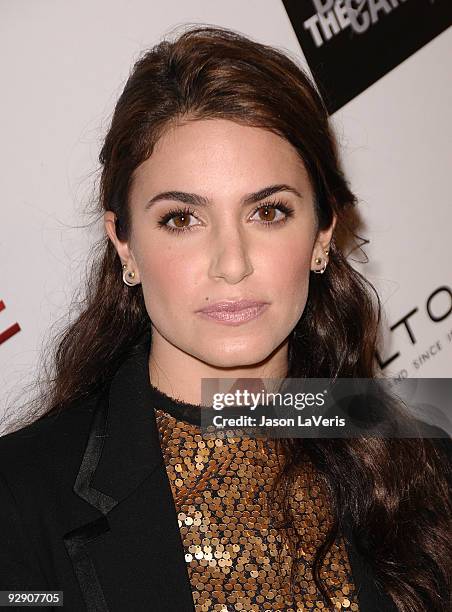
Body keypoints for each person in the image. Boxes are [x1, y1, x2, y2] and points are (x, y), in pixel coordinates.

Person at [0, 24, 450, 612]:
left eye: (268, 211)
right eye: (182, 220)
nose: (232, 264)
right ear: (125, 244)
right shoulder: (20, 499)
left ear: (323, 230)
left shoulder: (423, 455)